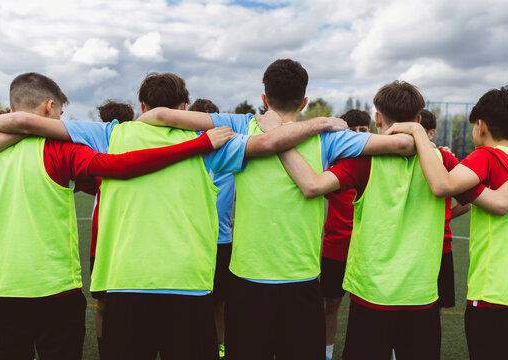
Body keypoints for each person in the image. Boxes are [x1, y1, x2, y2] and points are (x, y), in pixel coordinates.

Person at [0, 71, 348, 359]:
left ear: (141, 106)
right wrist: (322, 124)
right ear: (184, 107)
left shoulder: (108, 134)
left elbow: (26, 122)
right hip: (187, 284)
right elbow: (271, 143)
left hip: (126, 280)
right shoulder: (212, 143)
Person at [136, 60, 416, 360]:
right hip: (302, 282)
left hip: (247, 283)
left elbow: (160, 115)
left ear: (265, 99)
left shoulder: (241, 125)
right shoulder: (329, 137)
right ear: (304, 101)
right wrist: (408, 126)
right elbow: (403, 145)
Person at [276, 81, 508, 359]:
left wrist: (277, 140)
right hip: (421, 295)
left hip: (371, 294)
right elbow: (480, 201)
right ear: (419, 119)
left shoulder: (363, 160)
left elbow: (311, 186)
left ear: (377, 118)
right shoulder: (443, 161)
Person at [0, 72, 235, 359]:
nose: (60, 120)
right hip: (53, 289)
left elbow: (94, 182)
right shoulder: (58, 149)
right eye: (60, 113)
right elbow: (118, 166)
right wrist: (197, 145)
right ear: (49, 108)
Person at [386, 84, 508, 359]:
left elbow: (442, 185)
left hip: (496, 294)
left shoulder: (487, 156)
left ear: (480, 125)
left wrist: (419, 134)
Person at [321, 109, 371, 360]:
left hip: (368, 251)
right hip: (336, 248)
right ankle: (327, 352)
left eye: (365, 130)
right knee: (330, 304)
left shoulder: (376, 164)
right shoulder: (335, 169)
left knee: (375, 310)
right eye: (355, 130)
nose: (361, 135)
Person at [90, 100, 136, 355]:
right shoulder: (95, 155)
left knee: (123, 304)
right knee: (104, 304)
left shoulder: (134, 153)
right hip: (102, 243)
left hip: (127, 241)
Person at [190, 98, 232, 359]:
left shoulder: (233, 155)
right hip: (191, 240)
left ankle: (219, 346)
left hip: (222, 241)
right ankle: (194, 344)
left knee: (220, 301)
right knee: (194, 301)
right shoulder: (187, 154)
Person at [419, 109, 470, 316]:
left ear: (430, 134)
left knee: (436, 308)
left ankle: (432, 349)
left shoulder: (444, 159)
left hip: (440, 247)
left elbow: (468, 202)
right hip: (408, 247)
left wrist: (445, 216)